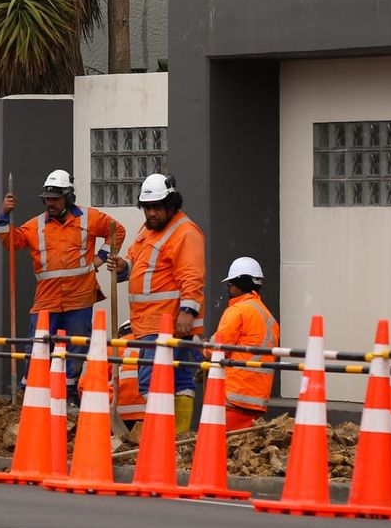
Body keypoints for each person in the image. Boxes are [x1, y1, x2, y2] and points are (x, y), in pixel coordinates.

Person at [0, 170, 124, 393]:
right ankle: (31, 391)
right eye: (47, 199)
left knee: (76, 346)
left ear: (68, 196)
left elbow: (117, 231)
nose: (50, 203)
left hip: (80, 297)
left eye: (55, 199)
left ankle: (68, 392)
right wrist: (4, 216)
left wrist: (100, 259)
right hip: (47, 299)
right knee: (38, 345)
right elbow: (11, 242)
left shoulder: (90, 218)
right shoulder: (36, 226)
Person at [106, 173, 204, 434]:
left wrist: (187, 311)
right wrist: (122, 266)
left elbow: (192, 276)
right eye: (147, 208)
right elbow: (133, 260)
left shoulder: (185, 233)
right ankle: (176, 437)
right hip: (149, 322)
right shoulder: (147, 230)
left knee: (151, 380)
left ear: (171, 206)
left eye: (156, 208)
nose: (151, 213)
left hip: (166, 322)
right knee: (180, 377)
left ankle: (163, 435)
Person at [210, 257, 279, 431]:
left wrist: (202, 349)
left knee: (218, 448)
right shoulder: (268, 316)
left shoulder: (237, 311)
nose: (228, 288)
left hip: (235, 395)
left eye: (230, 284)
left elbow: (218, 349)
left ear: (241, 283)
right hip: (257, 398)